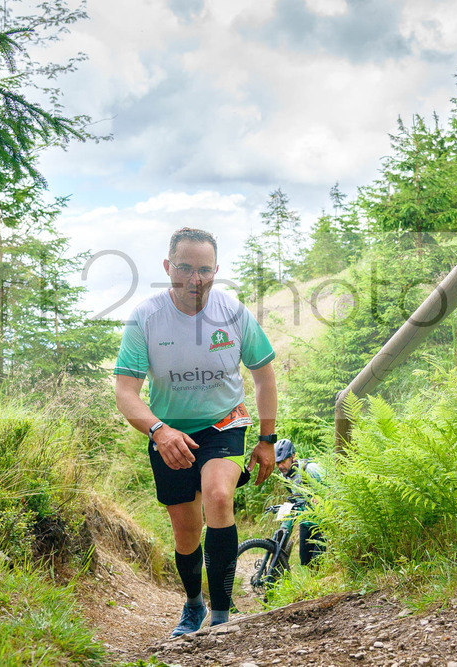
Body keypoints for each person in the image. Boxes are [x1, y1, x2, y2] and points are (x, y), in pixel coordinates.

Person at [114, 227, 277, 637]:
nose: (195, 279)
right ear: (167, 267)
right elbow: (126, 391)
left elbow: (263, 376)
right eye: (184, 268)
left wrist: (267, 439)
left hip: (224, 423)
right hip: (169, 433)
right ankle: (193, 605)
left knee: (219, 496)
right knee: (186, 531)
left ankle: (221, 615)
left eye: (204, 270)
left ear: (216, 270)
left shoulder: (233, 313)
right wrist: (158, 430)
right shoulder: (146, 317)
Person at [274, 438, 326, 567]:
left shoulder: (310, 469)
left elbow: (332, 487)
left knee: (318, 562)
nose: (280, 466)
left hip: (322, 523)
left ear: (293, 456)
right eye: (277, 463)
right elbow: (294, 499)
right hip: (305, 522)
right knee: (305, 562)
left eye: (283, 461)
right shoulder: (285, 476)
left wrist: (320, 497)